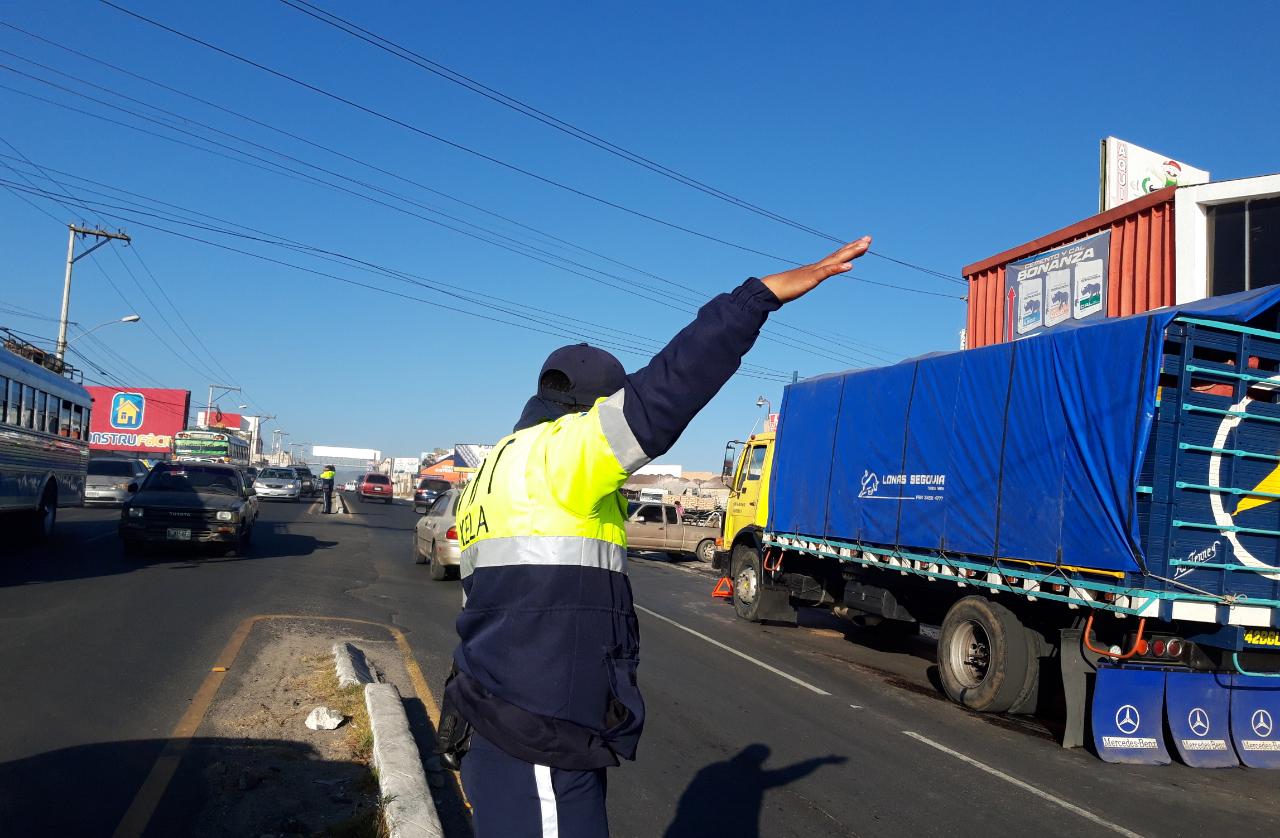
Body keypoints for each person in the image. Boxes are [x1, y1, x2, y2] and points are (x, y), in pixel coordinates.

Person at [440, 237, 871, 837]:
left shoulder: (493, 467)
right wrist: (757, 298)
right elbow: (669, 386)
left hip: (498, 712)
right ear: (590, 409)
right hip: (537, 732)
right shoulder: (563, 456)